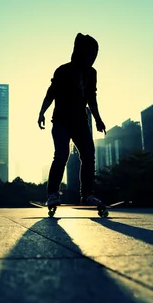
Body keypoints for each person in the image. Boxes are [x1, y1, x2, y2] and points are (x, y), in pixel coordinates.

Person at [37, 33, 107, 208]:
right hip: (61, 121)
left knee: (89, 156)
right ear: (82, 53)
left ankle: (88, 195)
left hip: (80, 123)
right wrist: (41, 112)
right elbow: (50, 93)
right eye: (91, 54)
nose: (93, 58)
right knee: (61, 155)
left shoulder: (92, 73)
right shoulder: (63, 70)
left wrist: (98, 119)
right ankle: (53, 194)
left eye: (95, 55)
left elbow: (92, 98)